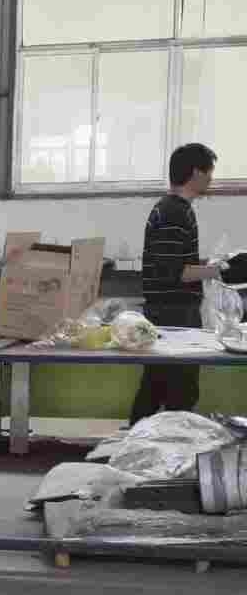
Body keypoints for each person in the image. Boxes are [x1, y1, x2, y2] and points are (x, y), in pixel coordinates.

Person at [130, 142, 219, 424]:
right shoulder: (174, 213)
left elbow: (176, 265)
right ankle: (163, 442)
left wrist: (211, 267)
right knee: (179, 390)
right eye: (209, 171)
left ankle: (137, 438)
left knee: (157, 384)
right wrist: (220, 270)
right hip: (173, 313)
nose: (212, 178)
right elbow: (177, 273)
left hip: (170, 311)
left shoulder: (174, 209)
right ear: (196, 173)